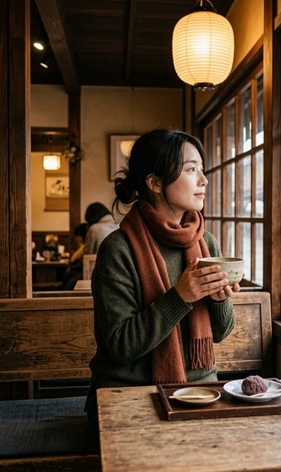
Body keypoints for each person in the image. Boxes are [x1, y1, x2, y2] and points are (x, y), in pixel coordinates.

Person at [84, 128, 241, 441]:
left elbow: (221, 332)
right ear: (154, 183)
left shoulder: (205, 242)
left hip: (200, 392)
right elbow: (120, 346)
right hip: (129, 395)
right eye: (191, 170)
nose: (204, 180)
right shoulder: (118, 249)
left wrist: (220, 297)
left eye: (202, 169)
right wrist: (181, 295)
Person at [61, 222, 89, 290]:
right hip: (79, 269)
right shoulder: (84, 246)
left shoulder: (84, 247)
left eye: (77, 237)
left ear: (79, 236)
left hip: (82, 271)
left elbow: (73, 259)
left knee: (69, 279)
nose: (76, 240)